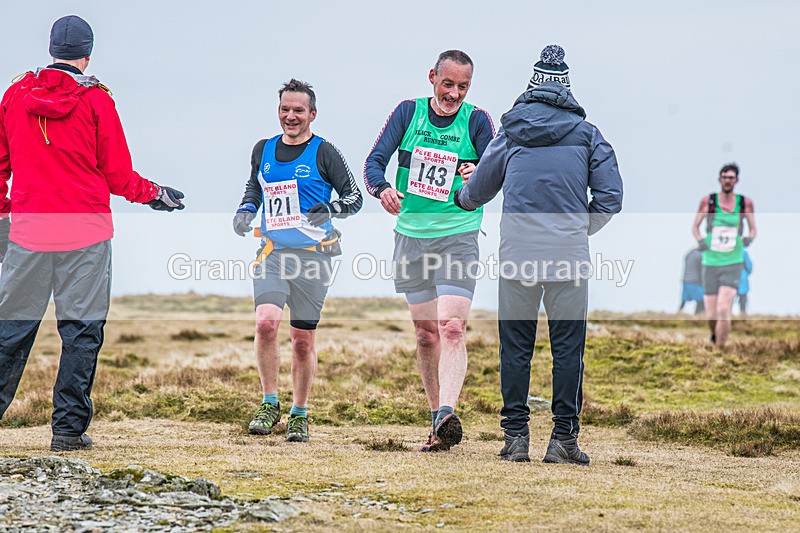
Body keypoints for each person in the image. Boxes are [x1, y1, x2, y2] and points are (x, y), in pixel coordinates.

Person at [0, 15, 185, 452]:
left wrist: (5, 216)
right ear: (88, 54)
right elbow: (118, 175)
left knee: (10, 330)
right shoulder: (97, 101)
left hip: (28, 232)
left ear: (51, 50)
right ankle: (67, 432)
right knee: (81, 332)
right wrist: (155, 194)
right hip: (85, 235)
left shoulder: (14, 95)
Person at [454, 45, 623, 464]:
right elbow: (610, 198)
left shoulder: (509, 133)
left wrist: (461, 196)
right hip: (568, 257)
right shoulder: (588, 135)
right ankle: (563, 440)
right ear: (565, 88)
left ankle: (515, 438)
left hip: (517, 255)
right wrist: (577, 229)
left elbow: (477, 193)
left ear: (531, 86)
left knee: (515, 349)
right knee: (568, 350)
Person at [364, 50, 494, 452]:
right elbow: (373, 163)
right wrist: (383, 189)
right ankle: (437, 421)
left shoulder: (477, 120)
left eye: (463, 87)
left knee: (451, 326)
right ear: (433, 76)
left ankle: (447, 413)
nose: (454, 94)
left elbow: (497, 171)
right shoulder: (408, 113)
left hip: (458, 234)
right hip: (411, 236)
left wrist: (479, 172)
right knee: (425, 335)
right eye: (448, 84)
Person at [233, 79, 362, 443]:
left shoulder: (325, 152)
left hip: (313, 259)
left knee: (302, 341)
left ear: (312, 114)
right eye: (285, 109)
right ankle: (269, 403)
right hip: (273, 253)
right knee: (266, 324)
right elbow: (255, 186)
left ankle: (299, 413)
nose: (291, 116)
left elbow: (354, 197)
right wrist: (245, 210)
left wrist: (331, 209)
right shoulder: (263, 149)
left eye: (298, 111)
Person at [691, 162, 755, 347]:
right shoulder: (708, 201)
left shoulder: (744, 203)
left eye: (731, 178)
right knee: (711, 314)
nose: (727, 181)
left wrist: (749, 239)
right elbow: (695, 226)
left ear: (737, 180)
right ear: (719, 179)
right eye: (725, 177)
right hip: (710, 260)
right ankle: (715, 335)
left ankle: (720, 350)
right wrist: (700, 240)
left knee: (722, 309)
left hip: (733, 261)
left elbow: (753, 229)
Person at [679, 246, 705, 315]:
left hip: (686, 281)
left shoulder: (690, 253)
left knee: (684, 301)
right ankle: (698, 315)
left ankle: (678, 313)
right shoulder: (701, 255)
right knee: (702, 301)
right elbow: (702, 271)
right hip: (696, 282)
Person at [737, 249, 752, 315]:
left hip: (728, 279)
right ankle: (743, 314)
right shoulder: (743, 252)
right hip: (742, 278)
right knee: (743, 299)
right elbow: (749, 267)